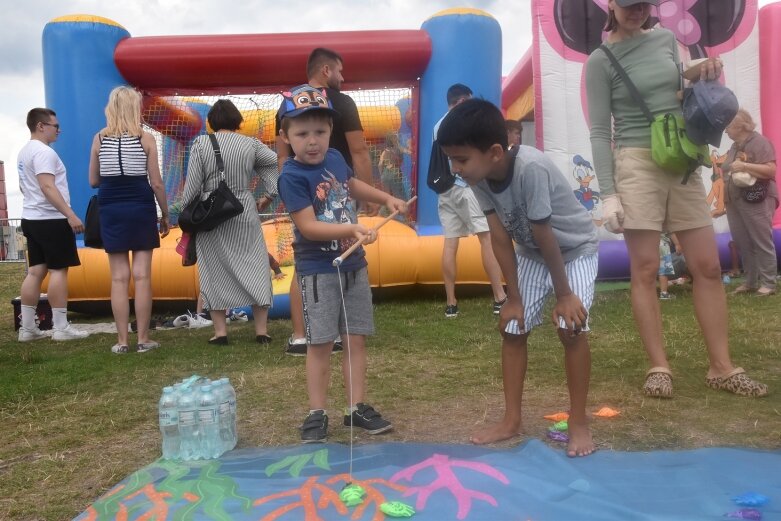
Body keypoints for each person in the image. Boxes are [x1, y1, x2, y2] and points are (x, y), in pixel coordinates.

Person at [585, 0, 767, 397]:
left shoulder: (667, 39)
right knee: (646, 269)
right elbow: (600, 131)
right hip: (635, 162)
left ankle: (721, 366)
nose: (637, 12)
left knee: (705, 264)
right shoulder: (600, 60)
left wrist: (698, 73)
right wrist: (609, 194)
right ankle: (658, 367)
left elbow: (678, 93)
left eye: (644, 5)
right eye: (629, 5)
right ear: (612, 5)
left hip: (680, 157)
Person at [438, 98, 598, 456]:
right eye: (452, 159)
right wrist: (513, 297)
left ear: (495, 151)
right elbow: (499, 237)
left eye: (461, 159)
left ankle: (578, 421)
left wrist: (565, 295)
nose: (455, 167)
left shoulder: (531, 168)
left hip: (572, 251)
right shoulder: (478, 178)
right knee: (513, 327)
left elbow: (546, 234)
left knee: (570, 327)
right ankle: (511, 419)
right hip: (533, 253)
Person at [276, 84, 408, 443]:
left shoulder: (334, 158)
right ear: (286, 137)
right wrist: (352, 227)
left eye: (320, 131)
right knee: (320, 343)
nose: (313, 141)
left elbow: (350, 186)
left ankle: (355, 407)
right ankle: (316, 412)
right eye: (302, 133)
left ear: (330, 131)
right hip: (320, 271)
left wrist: (387, 198)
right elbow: (307, 226)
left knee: (355, 339)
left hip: (354, 267)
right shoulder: (290, 176)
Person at [277, 48, 376, 355]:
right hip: (335, 203)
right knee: (319, 264)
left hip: (329, 195)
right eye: (339, 71)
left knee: (308, 268)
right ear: (325, 70)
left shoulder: (288, 102)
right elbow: (358, 150)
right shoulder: (341, 102)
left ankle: (302, 334)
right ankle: (328, 332)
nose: (342, 78)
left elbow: (282, 157)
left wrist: (292, 191)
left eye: (320, 131)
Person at [182, 99, 279, 345]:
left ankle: (221, 332)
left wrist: (188, 211)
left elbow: (193, 185)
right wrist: (269, 194)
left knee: (213, 269)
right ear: (237, 120)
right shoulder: (251, 144)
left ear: (211, 122)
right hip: (244, 209)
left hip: (211, 215)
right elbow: (274, 162)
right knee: (256, 265)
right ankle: (261, 331)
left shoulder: (202, 143)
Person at [88, 87, 170, 354]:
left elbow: (93, 181)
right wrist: (166, 214)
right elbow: (156, 183)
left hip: (111, 204)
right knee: (142, 275)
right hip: (140, 203)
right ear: (135, 109)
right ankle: (143, 339)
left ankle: (122, 341)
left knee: (119, 278)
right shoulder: (145, 139)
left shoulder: (99, 139)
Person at [432, 84, 507, 318]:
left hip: (445, 190)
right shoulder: (461, 122)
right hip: (465, 187)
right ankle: (499, 297)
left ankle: (451, 302)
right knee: (486, 238)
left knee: (451, 242)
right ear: (463, 101)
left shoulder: (438, 125)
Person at [16, 108, 90, 342]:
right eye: (55, 126)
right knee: (59, 270)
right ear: (41, 126)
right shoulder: (44, 153)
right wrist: (70, 214)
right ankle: (60, 327)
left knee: (36, 271)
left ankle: (27, 329)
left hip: (31, 217)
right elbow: (47, 186)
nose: (59, 130)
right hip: (51, 219)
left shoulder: (24, 152)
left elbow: (24, 187)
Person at [721, 109, 777, 296]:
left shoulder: (759, 142)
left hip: (756, 199)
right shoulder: (735, 146)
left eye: (728, 126)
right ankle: (751, 281)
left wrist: (744, 165)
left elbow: (770, 170)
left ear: (740, 126)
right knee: (742, 241)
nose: (725, 130)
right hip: (735, 200)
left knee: (761, 240)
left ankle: (768, 283)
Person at [657, 233, 680, 300]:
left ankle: (647, 292)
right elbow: (671, 231)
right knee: (664, 270)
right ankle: (664, 293)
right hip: (662, 244)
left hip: (648, 243)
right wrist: (677, 244)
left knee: (649, 269)